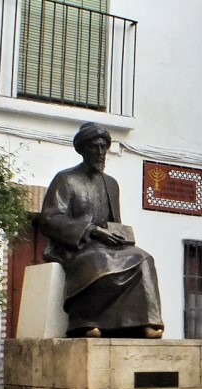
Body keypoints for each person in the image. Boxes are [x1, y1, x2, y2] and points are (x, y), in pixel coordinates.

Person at [39, 122, 164, 338]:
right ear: (82, 149)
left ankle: (144, 322)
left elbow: (115, 221)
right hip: (76, 245)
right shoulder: (65, 179)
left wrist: (120, 236)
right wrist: (91, 230)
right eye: (94, 147)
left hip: (107, 244)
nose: (99, 153)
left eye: (103, 148)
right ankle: (84, 322)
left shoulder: (111, 184)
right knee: (98, 260)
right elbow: (50, 219)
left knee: (143, 258)